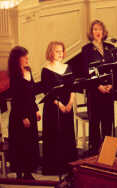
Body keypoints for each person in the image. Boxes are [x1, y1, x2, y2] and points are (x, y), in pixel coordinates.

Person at [41, 41, 77, 175]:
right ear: (51, 53)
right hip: (53, 108)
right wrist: (60, 105)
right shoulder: (46, 69)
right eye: (57, 51)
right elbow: (47, 91)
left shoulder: (67, 67)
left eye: (61, 51)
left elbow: (73, 87)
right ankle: (55, 167)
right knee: (55, 135)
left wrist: (70, 103)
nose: (60, 54)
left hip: (68, 106)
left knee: (68, 134)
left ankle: (69, 165)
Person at [81, 20, 115, 155]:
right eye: (95, 29)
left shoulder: (110, 47)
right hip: (94, 91)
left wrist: (111, 84)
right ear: (91, 32)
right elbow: (86, 71)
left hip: (109, 90)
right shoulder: (86, 49)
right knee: (95, 123)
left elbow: (114, 68)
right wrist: (98, 86)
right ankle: (95, 152)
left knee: (108, 122)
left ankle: (108, 153)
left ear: (104, 31)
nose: (98, 32)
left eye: (100, 29)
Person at [7, 46, 40, 180]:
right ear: (17, 59)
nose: (27, 59)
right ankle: (21, 172)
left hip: (31, 111)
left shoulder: (29, 71)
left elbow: (31, 94)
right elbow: (17, 99)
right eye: (24, 56)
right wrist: (23, 117)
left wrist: (36, 109)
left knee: (31, 142)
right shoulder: (15, 75)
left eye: (27, 56)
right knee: (21, 143)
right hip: (19, 115)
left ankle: (28, 170)